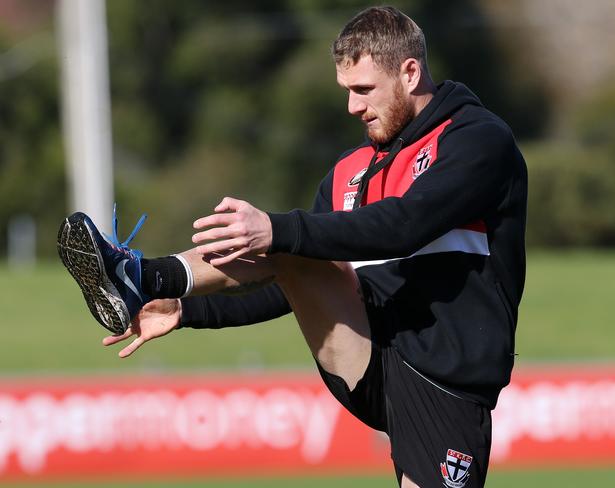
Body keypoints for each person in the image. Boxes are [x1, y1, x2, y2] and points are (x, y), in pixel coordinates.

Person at [57, 6, 527, 488]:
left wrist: (278, 230)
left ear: (410, 72)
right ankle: (144, 278)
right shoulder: (349, 171)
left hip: (443, 376)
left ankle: (143, 275)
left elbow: (405, 225)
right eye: (346, 91)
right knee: (291, 252)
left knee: (284, 238)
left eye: (363, 90)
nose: (352, 107)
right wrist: (186, 310)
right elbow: (291, 280)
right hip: (363, 351)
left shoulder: (478, 141)